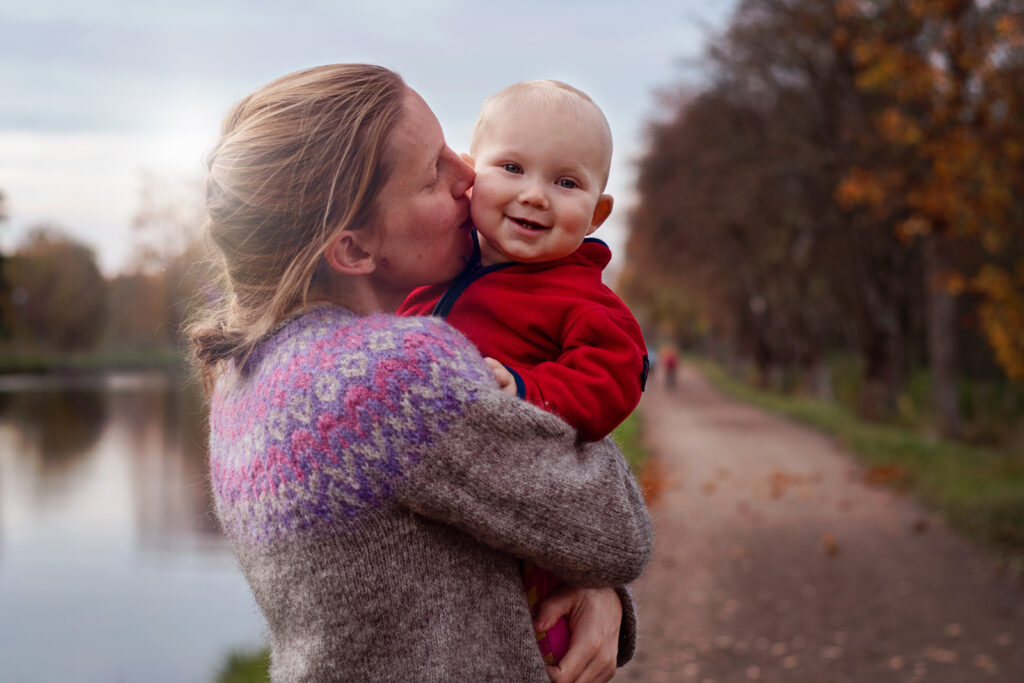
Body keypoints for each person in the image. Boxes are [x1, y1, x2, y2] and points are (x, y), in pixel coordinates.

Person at [189, 64, 653, 682]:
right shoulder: (390, 379)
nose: (469, 176)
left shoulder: (247, 372)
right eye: (435, 170)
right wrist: (598, 579)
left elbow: (435, 565)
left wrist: (588, 586)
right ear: (352, 248)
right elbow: (617, 532)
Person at [398, 80, 648, 665]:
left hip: (529, 539)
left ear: (597, 212)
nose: (535, 196)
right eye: (512, 167)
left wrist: (530, 391)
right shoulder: (432, 274)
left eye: (566, 182)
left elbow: (614, 375)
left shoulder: (582, 297)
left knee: (532, 645)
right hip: (439, 525)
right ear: (470, 175)